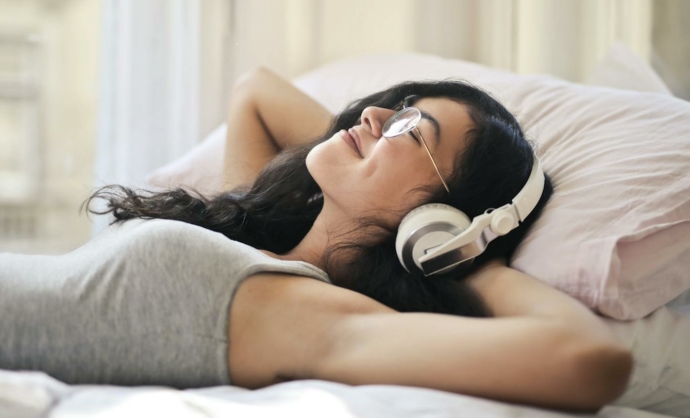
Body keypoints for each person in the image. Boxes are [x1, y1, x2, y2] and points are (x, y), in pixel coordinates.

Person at [0, 67, 633, 413]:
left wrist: (458, 251)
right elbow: (256, 91)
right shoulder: (259, 237)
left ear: (442, 219)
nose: (375, 116)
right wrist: (382, 147)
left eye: (414, 129)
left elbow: (589, 362)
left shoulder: (305, 316)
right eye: (399, 104)